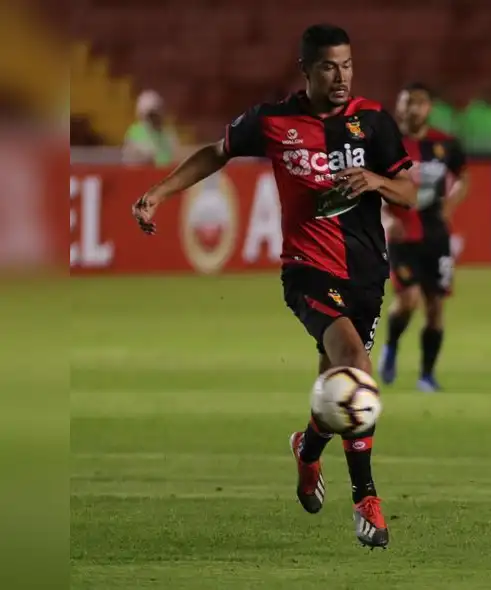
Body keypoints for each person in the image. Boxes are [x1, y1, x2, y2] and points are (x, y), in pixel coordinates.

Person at [129, 25, 417, 549]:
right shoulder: (274, 121)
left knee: (337, 384)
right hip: (307, 270)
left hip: (368, 276)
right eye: (329, 67)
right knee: (355, 365)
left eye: (347, 65)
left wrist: (375, 181)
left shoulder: (372, 121)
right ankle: (366, 500)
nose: (341, 76)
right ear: (305, 69)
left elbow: (410, 193)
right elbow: (217, 152)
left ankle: (307, 451)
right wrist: (158, 192)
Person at [378, 83, 469, 392]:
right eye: (407, 102)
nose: (412, 109)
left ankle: (426, 376)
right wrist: (386, 217)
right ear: (398, 106)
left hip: (435, 235)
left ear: (429, 108)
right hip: (402, 233)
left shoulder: (446, 145)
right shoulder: (384, 143)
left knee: (434, 307)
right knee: (408, 300)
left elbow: (463, 178)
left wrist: (450, 205)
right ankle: (390, 346)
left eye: (419, 103)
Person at [122, 89, 179, 167]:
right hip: (139, 174)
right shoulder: (135, 132)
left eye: (157, 112)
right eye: (151, 114)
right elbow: (147, 155)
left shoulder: (167, 132)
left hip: (164, 174)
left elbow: (173, 154)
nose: (155, 117)